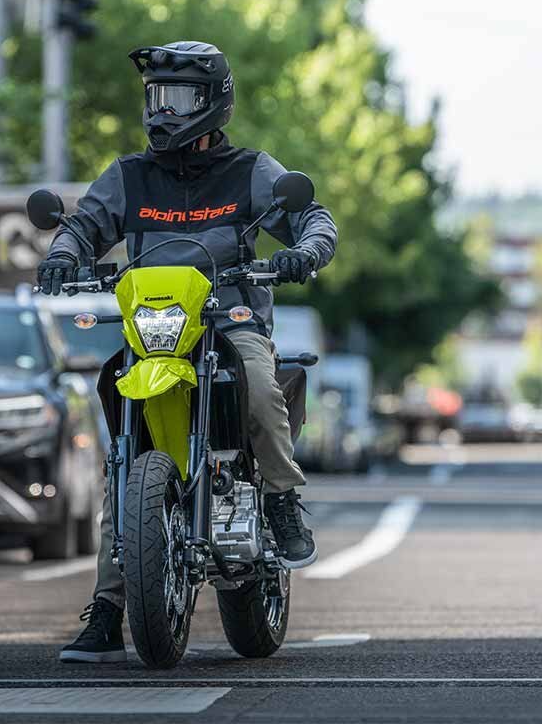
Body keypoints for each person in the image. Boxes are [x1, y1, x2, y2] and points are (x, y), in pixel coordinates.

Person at [38, 41, 337, 663]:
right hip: (152, 330)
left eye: (178, 98)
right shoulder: (128, 176)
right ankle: (108, 609)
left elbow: (313, 217)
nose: (163, 112)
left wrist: (305, 250)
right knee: (124, 462)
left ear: (213, 103)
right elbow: (82, 226)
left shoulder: (252, 172)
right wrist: (63, 254)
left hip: (228, 321)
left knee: (259, 385)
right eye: (156, 98)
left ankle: (281, 499)